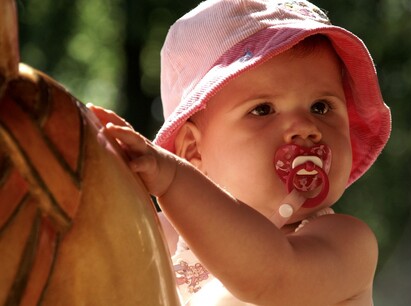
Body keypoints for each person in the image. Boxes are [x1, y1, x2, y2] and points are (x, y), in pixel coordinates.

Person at [90, 0, 391, 305]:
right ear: (193, 150)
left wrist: (172, 181)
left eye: (321, 107)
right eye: (263, 109)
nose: (305, 127)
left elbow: (271, 279)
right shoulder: (164, 238)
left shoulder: (345, 243)